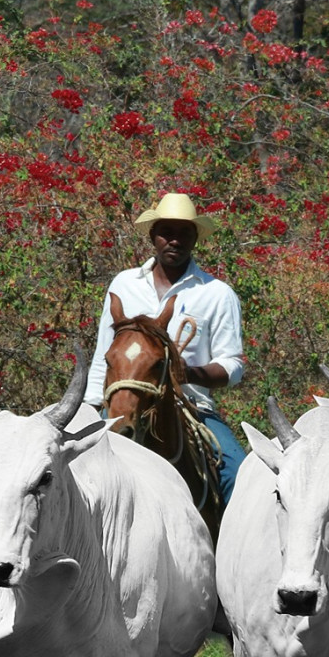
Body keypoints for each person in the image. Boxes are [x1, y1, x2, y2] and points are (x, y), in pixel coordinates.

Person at [85, 191, 248, 503]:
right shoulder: (123, 285)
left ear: (195, 238)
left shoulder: (217, 293)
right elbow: (103, 355)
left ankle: (239, 550)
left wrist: (186, 373)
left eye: (184, 233)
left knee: (238, 476)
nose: (175, 241)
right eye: (167, 232)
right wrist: (90, 409)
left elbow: (232, 366)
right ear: (152, 236)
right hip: (122, 402)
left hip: (192, 409)